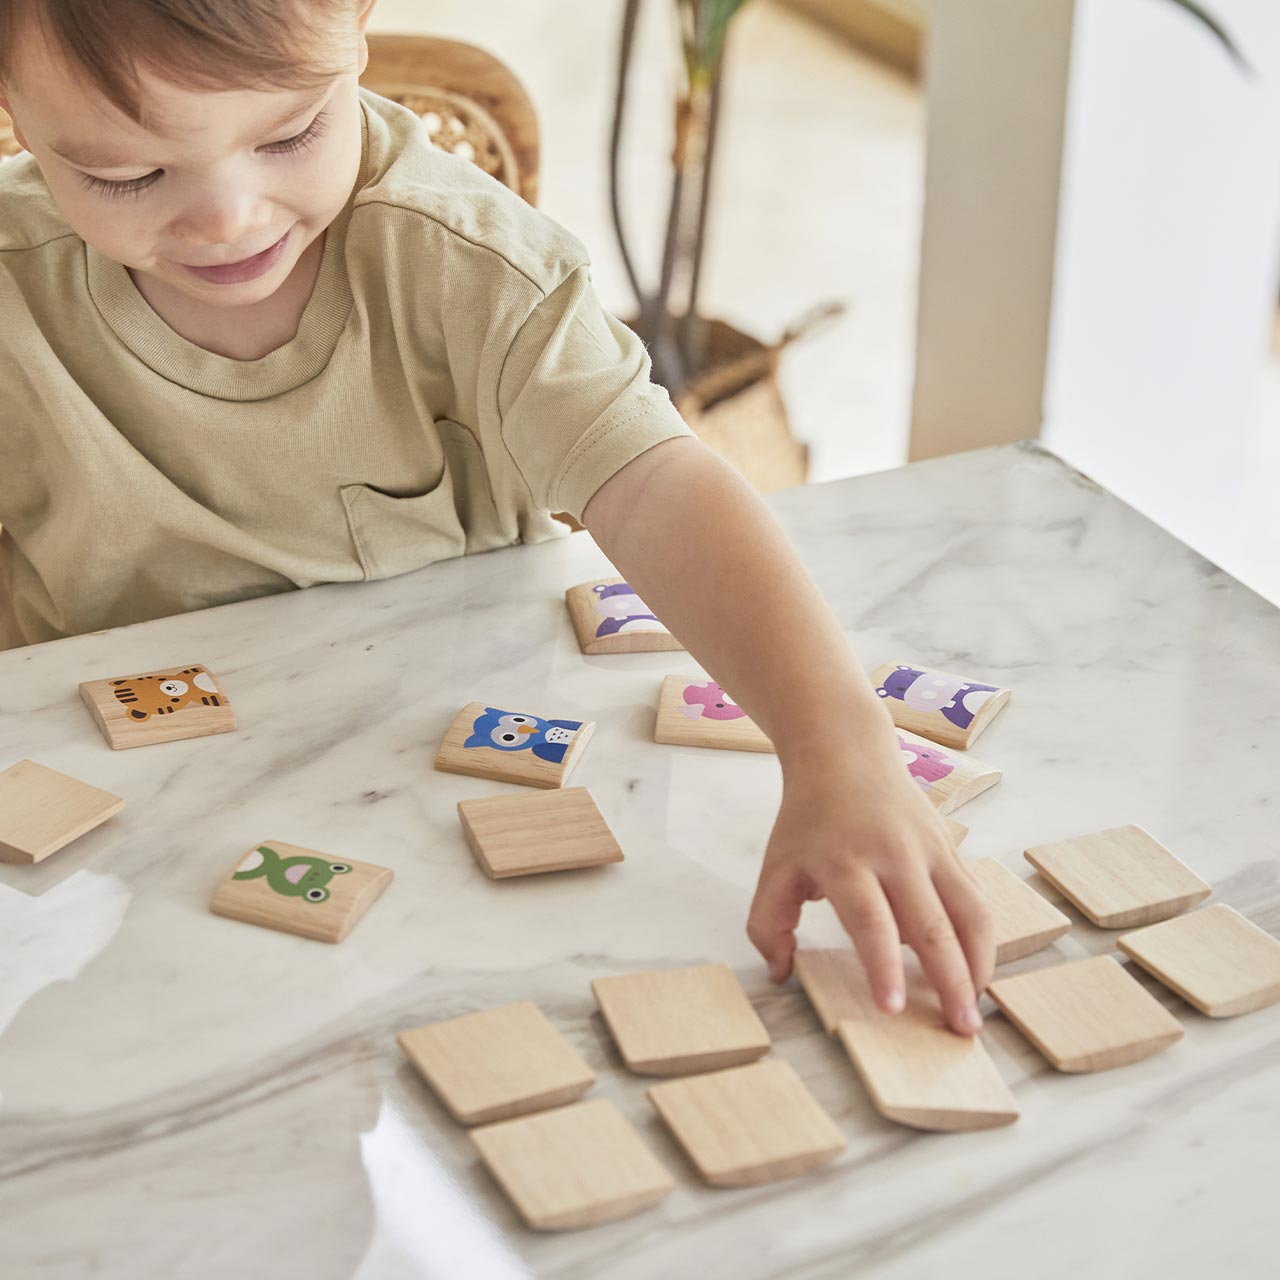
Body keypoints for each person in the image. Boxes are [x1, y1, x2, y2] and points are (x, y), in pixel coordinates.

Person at [0, 0, 994, 1034]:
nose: (228, 218)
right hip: (113, 840)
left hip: (459, 792)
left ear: (358, 32)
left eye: (290, 133)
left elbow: (655, 480)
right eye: (126, 175)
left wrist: (837, 744)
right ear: (13, 108)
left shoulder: (466, 261)